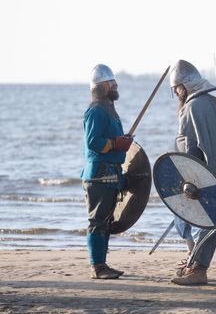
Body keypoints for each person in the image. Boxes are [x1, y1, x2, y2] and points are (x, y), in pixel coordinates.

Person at [169, 59, 216, 285]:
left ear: (184, 86)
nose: (176, 92)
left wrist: (192, 178)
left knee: (204, 222)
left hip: (203, 174)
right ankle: (193, 265)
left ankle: (198, 270)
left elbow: (193, 147)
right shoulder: (211, 103)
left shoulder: (193, 107)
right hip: (214, 172)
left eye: (176, 88)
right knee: (205, 222)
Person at [81, 64, 134, 279]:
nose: (115, 85)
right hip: (98, 174)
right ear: (102, 85)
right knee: (97, 220)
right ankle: (97, 267)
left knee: (106, 221)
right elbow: (93, 142)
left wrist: (124, 142)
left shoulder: (110, 111)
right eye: (111, 82)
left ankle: (102, 264)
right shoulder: (95, 111)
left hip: (111, 173)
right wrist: (115, 143)